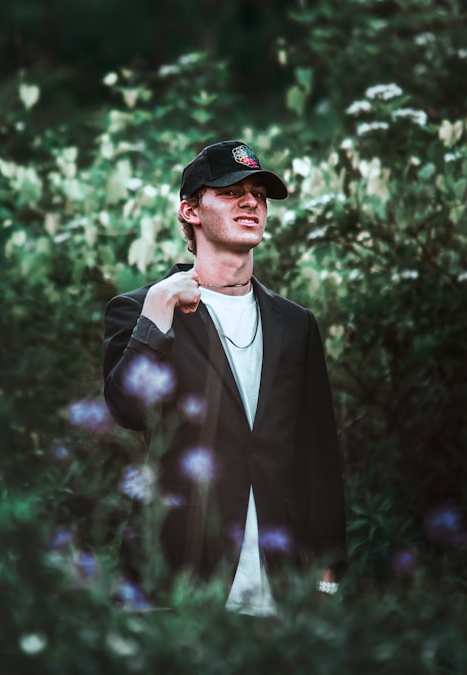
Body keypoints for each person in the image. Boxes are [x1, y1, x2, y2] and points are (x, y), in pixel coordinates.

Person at [103, 140, 347, 616]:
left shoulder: (296, 324)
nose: (251, 201)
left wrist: (328, 575)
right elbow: (127, 409)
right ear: (190, 210)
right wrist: (157, 312)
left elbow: (318, 454)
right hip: (179, 578)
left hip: (281, 581)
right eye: (231, 191)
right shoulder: (140, 309)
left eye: (258, 192)